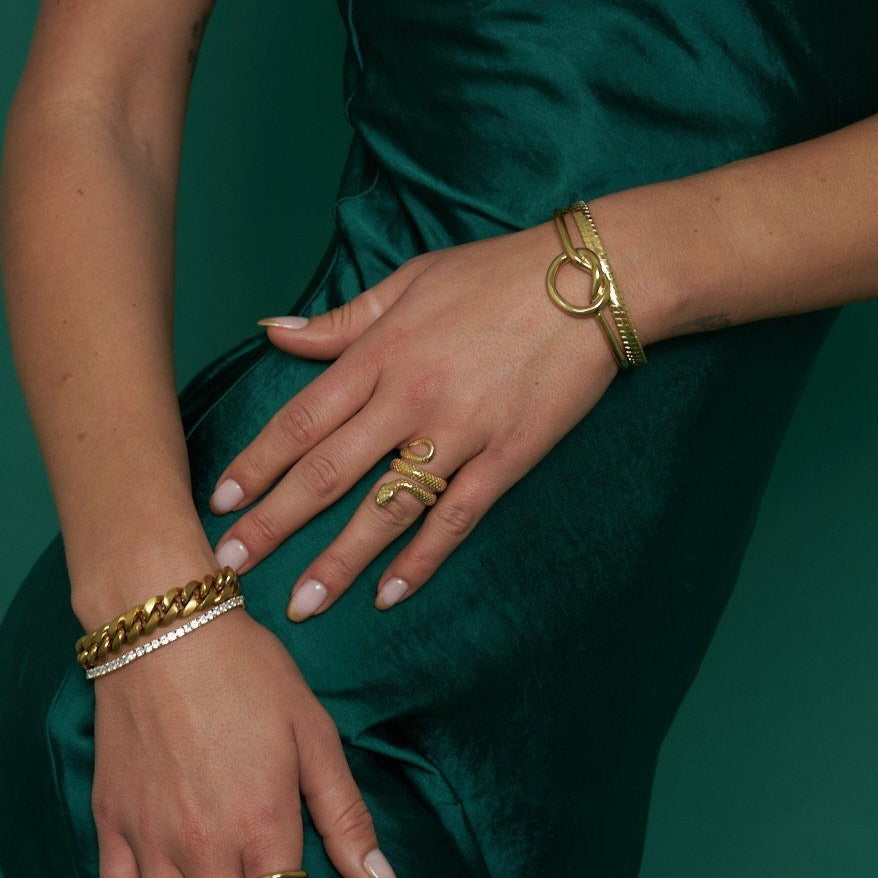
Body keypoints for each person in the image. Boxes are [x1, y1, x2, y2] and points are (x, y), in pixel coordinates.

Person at [0, 0, 875, 876]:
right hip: (254, 706)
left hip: (559, 755)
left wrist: (599, 275)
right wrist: (153, 626)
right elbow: (99, 100)